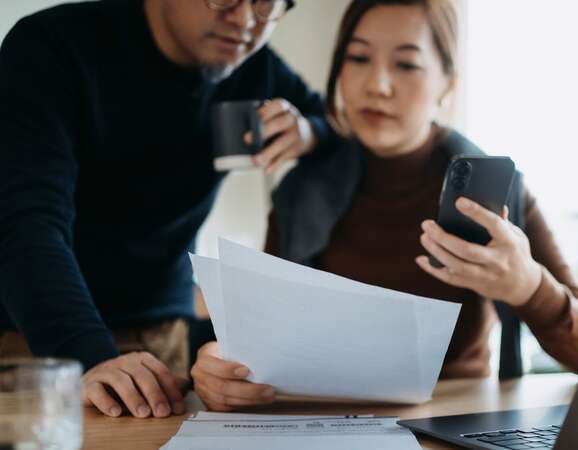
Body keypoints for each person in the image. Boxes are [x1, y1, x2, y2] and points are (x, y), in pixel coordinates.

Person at [190, 0, 578, 412]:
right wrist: (220, 366)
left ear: (448, 82)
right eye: (358, 58)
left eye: (406, 65)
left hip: (455, 422)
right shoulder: (300, 191)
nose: (378, 85)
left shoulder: (495, 193)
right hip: (331, 425)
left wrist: (530, 287)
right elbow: (260, 342)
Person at [0, 0, 335, 418]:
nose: (246, 20)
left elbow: (336, 122)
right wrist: (86, 354)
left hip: (163, 342)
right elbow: (26, 223)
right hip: (35, 339)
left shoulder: (255, 68)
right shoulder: (52, 46)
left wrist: (311, 132)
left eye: (267, 3)